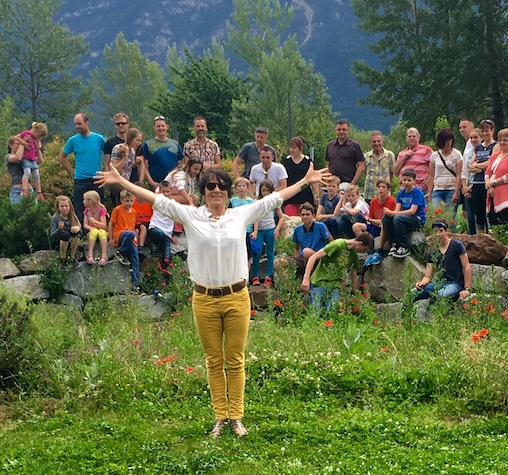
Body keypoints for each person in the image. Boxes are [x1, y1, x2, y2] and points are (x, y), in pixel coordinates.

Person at [94, 158, 331, 439]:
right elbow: (157, 200)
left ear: (228, 193)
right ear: (204, 192)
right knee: (213, 360)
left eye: (221, 187)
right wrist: (122, 182)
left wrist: (304, 181)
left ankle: (237, 418)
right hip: (205, 299)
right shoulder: (191, 216)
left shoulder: (239, 215)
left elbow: (274, 199)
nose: (216, 190)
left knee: (235, 359)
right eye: (210, 187)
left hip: (236, 297)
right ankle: (220, 417)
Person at [301, 233, 375, 313]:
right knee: (315, 312)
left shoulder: (354, 256)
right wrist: (306, 279)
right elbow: (313, 257)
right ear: (360, 244)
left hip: (335, 286)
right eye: (364, 250)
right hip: (319, 282)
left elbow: (354, 277)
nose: (364, 253)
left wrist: (357, 296)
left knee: (331, 312)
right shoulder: (337, 245)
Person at [58, 113, 107, 223]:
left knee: (99, 207)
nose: (77, 126)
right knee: (79, 207)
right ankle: (81, 234)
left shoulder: (98, 139)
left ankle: (100, 232)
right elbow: (61, 157)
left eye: (79, 123)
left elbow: (108, 153)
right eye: (75, 124)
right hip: (80, 179)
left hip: (97, 178)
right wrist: (71, 170)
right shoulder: (73, 140)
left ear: (87, 123)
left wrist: (105, 169)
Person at [411, 220, 471, 304]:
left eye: (441, 231)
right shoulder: (432, 252)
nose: (438, 234)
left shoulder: (457, 245)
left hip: (455, 284)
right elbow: (428, 276)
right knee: (411, 294)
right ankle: (404, 317)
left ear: (446, 231)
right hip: (439, 283)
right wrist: (421, 284)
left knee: (441, 295)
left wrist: (467, 289)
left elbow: (466, 267)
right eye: (435, 232)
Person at [381, 168, 426, 259]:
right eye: (404, 180)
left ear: (414, 181)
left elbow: (412, 211)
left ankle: (404, 246)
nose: (406, 182)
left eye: (409, 180)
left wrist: (394, 214)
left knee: (397, 218)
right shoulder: (401, 193)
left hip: (417, 219)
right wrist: (390, 213)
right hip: (405, 218)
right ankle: (394, 244)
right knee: (386, 218)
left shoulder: (417, 193)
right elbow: (397, 211)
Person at [250, 180, 285, 288]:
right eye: (263, 190)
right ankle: (255, 276)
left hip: (270, 229)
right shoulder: (257, 202)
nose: (265, 193)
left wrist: (277, 229)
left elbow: (282, 217)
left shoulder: (274, 202)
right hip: (260, 230)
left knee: (270, 253)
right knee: (257, 253)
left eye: (267, 191)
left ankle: (268, 277)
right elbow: (255, 217)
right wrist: (255, 231)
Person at [354, 178, 397, 265]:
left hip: (385, 227)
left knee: (383, 224)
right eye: (379, 187)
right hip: (374, 226)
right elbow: (369, 219)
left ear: (388, 190)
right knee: (356, 226)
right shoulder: (373, 202)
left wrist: (372, 220)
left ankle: (379, 251)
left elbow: (383, 221)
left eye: (383, 187)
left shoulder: (391, 201)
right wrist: (372, 220)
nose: (381, 189)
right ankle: (369, 251)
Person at [484, 129, 508, 228]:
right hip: (492, 195)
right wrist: (489, 185)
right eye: (500, 140)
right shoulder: (495, 156)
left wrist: (493, 183)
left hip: (507, 198)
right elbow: (487, 172)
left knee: (507, 226)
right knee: (494, 225)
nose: (502, 142)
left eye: (505, 140)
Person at [468, 119, 497, 234]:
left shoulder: (495, 145)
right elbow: (470, 166)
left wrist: (478, 166)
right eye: (483, 131)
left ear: (492, 131)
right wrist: (482, 167)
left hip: (488, 183)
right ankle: (481, 239)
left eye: (487, 131)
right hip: (477, 184)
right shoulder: (478, 147)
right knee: (479, 215)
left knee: (490, 213)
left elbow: (492, 163)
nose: (485, 134)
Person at [109, 189, 141, 290]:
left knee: (135, 258)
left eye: (131, 201)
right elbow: (111, 224)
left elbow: (135, 226)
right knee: (131, 233)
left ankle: (135, 285)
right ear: (122, 200)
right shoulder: (117, 210)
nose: (129, 203)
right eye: (127, 201)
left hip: (131, 238)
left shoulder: (135, 212)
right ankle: (120, 252)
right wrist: (111, 238)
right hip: (120, 234)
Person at [142, 115, 183, 191]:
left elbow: (180, 165)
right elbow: (144, 166)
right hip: (157, 183)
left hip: (173, 184)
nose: (161, 128)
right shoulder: (148, 145)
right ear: (154, 128)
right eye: (158, 126)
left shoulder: (175, 144)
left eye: (163, 126)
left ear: (166, 127)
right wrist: (151, 182)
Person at [426, 128, 462, 210]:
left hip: (451, 188)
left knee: (450, 216)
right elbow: (431, 175)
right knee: (437, 214)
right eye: (446, 141)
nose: (448, 143)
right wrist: (429, 192)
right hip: (437, 189)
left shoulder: (457, 154)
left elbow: (459, 174)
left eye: (450, 140)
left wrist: (456, 192)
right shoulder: (434, 156)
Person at [282, 136, 318, 216]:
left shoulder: (308, 162)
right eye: (290, 147)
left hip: (305, 196)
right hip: (290, 197)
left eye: (294, 148)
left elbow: (313, 180)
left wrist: (316, 194)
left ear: (300, 148)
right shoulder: (285, 162)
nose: (291, 150)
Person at [291, 203, 332, 273]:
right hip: (303, 258)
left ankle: (311, 279)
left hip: (318, 257)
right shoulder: (298, 229)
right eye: (303, 215)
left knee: (306, 251)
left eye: (307, 214)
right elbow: (297, 248)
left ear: (313, 215)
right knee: (278, 262)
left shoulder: (320, 226)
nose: (305, 217)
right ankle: (290, 283)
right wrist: (295, 262)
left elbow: (331, 242)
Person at [146, 181, 178, 271]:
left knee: (167, 258)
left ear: (171, 191)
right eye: (164, 192)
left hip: (167, 234)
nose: (166, 194)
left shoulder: (173, 204)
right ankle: (155, 248)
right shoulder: (157, 200)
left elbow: (174, 219)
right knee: (159, 234)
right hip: (155, 228)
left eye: (168, 192)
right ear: (159, 192)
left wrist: (172, 235)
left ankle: (167, 277)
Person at [110, 127, 144, 206]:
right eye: (137, 140)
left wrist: (137, 162)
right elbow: (115, 169)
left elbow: (128, 167)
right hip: (116, 182)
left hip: (125, 181)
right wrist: (125, 156)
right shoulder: (118, 148)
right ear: (131, 139)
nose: (139, 143)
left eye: (141, 141)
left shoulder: (133, 151)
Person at [325, 118, 364, 186]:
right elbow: (328, 164)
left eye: (344, 129)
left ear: (348, 130)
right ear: (335, 131)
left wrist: (353, 183)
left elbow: (361, 166)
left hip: (348, 184)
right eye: (339, 129)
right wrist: (327, 179)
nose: (341, 132)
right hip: (332, 184)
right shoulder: (330, 145)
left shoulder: (354, 146)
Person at [17, 122, 48, 201]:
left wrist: (39, 147)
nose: (39, 138)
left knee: (36, 174)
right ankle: (24, 189)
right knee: (27, 172)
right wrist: (24, 143)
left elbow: (38, 145)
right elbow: (16, 137)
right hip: (26, 157)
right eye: (39, 135)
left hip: (33, 158)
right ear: (35, 131)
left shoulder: (36, 139)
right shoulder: (27, 134)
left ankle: (39, 192)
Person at [362, 130, 395, 202]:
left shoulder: (389, 155)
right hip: (369, 193)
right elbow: (365, 172)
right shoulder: (366, 156)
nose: (376, 143)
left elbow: (392, 172)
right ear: (371, 143)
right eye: (374, 141)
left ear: (382, 141)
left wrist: (386, 184)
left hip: (384, 194)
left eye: (378, 141)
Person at [50, 195, 82, 270]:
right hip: (59, 241)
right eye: (62, 206)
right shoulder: (56, 218)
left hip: (70, 242)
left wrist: (78, 228)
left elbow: (81, 234)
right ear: (58, 207)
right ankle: (63, 259)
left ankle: (72, 257)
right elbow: (52, 235)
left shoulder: (73, 217)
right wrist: (59, 230)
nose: (64, 208)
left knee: (76, 235)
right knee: (65, 235)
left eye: (66, 206)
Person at [82, 190, 109, 266]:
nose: (83, 202)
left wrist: (94, 222)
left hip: (102, 231)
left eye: (85, 200)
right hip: (92, 233)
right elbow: (85, 225)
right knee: (94, 231)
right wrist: (90, 228)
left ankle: (104, 256)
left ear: (90, 201)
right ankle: (90, 255)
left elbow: (103, 225)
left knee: (101, 231)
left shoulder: (101, 210)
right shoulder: (86, 211)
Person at [6, 136, 28, 204]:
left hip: (29, 189)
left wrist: (38, 149)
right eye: (17, 144)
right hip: (17, 190)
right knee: (18, 211)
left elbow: (40, 161)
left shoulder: (26, 157)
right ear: (10, 145)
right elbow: (17, 158)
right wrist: (22, 143)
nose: (19, 146)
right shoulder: (8, 157)